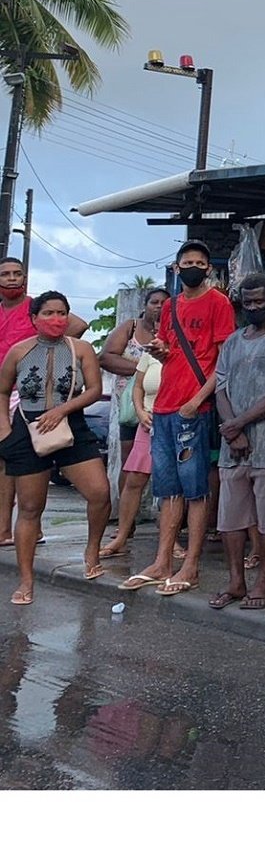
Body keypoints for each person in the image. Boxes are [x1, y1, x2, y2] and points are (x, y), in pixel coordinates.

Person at [119, 241, 235, 597]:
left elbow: (223, 360)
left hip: (192, 409)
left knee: (196, 489)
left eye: (200, 262)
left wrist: (198, 400)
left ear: (209, 269)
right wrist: (160, 350)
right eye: (188, 262)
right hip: (165, 407)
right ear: (176, 267)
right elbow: (170, 351)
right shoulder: (169, 306)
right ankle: (162, 561)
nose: (194, 267)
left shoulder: (219, 303)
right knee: (168, 490)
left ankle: (191, 565)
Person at [1, 292, 111, 605]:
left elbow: (94, 390)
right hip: (28, 429)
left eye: (61, 312)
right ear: (34, 318)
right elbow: (2, 389)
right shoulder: (19, 352)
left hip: (71, 426)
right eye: (48, 313)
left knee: (99, 493)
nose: (55, 319)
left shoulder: (81, 349)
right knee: (31, 508)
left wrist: (62, 410)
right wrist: (5, 432)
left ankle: (92, 549)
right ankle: (26, 580)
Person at [206, 274, 265, 611]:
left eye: (259, 302)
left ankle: (263, 583)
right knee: (231, 517)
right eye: (247, 303)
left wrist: (238, 424)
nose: (253, 308)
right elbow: (220, 388)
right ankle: (235, 581)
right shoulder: (232, 342)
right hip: (235, 448)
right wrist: (234, 431)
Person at [0, 257, 87, 548]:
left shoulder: (35, 306)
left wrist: (49, 356)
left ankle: (17, 528)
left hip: (28, 395)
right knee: (7, 461)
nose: (12, 279)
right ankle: (6, 528)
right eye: (6, 274)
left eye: (17, 274)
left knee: (20, 462)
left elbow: (77, 325)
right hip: (4, 388)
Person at [99, 345, 164, 559]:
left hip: (176, 421)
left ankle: (170, 542)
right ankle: (122, 536)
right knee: (134, 479)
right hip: (148, 422)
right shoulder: (150, 353)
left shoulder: (189, 349)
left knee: (173, 484)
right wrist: (140, 411)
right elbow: (138, 387)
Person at [100, 287, 166, 493]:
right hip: (131, 406)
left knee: (164, 459)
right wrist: (143, 369)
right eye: (154, 302)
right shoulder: (131, 327)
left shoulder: (174, 330)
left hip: (162, 404)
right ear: (144, 306)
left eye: (164, 303)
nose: (159, 307)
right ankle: (125, 516)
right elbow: (105, 357)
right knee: (130, 462)